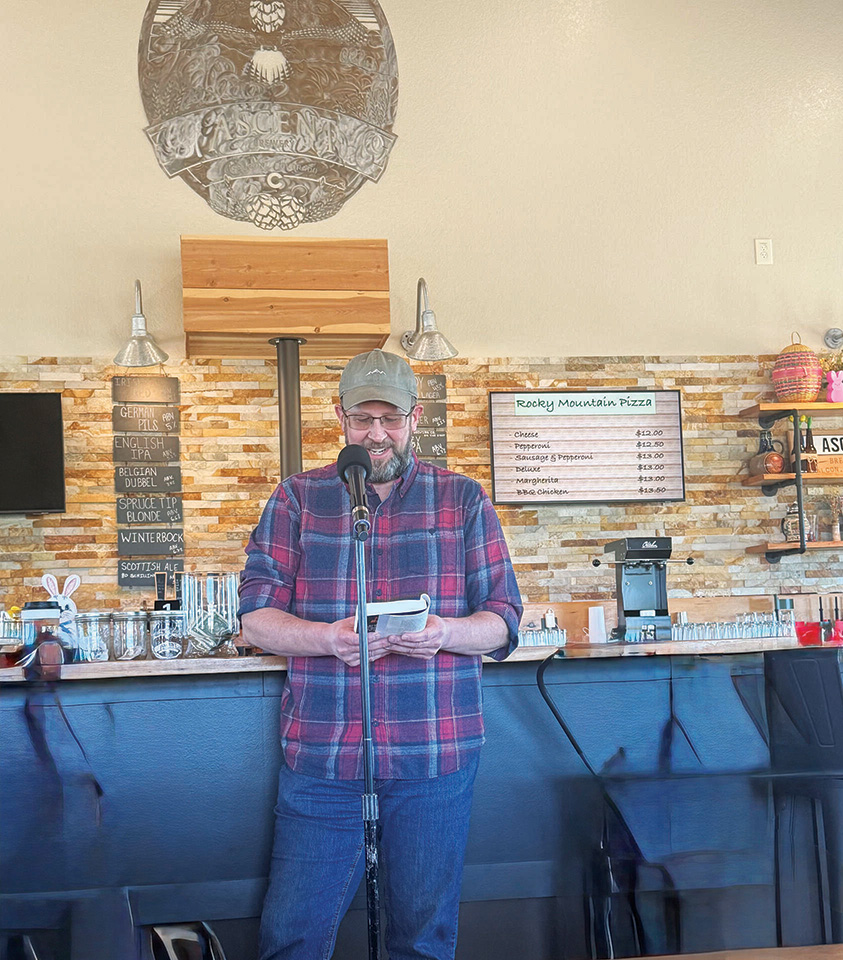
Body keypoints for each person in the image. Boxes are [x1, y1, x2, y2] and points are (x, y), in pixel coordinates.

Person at [239, 349, 522, 960]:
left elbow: (503, 621)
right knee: (290, 938)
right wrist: (327, 639)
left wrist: (445, 632)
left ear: (415, 417)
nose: (376, 434)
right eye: (362, 419)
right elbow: (256, 619)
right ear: (339, 419)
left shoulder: (463, 500)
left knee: (422, 940)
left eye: (389, 419)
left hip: (434, 755)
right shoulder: (297, 500)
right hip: (324, 756)